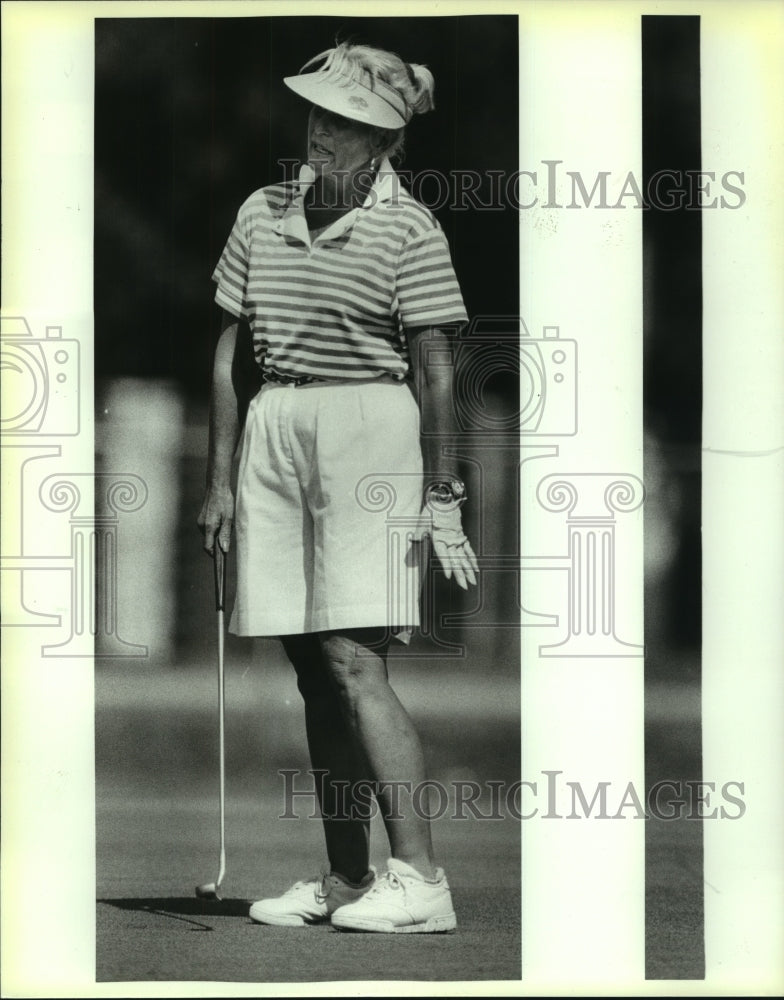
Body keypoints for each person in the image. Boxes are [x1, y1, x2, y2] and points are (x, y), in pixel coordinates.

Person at [197, 40, 478, 934]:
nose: (322, 132)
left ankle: (421, 880)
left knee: (356, 659)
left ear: (385, 140)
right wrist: (218, 482)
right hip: (276, 426)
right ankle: (349, 877)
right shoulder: (261, 210)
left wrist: (443, 495)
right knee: (315, 669)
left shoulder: (410, 227)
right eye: (319, 113)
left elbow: (435, 369)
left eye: (347, 122)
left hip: (369, 430)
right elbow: (229, 357)